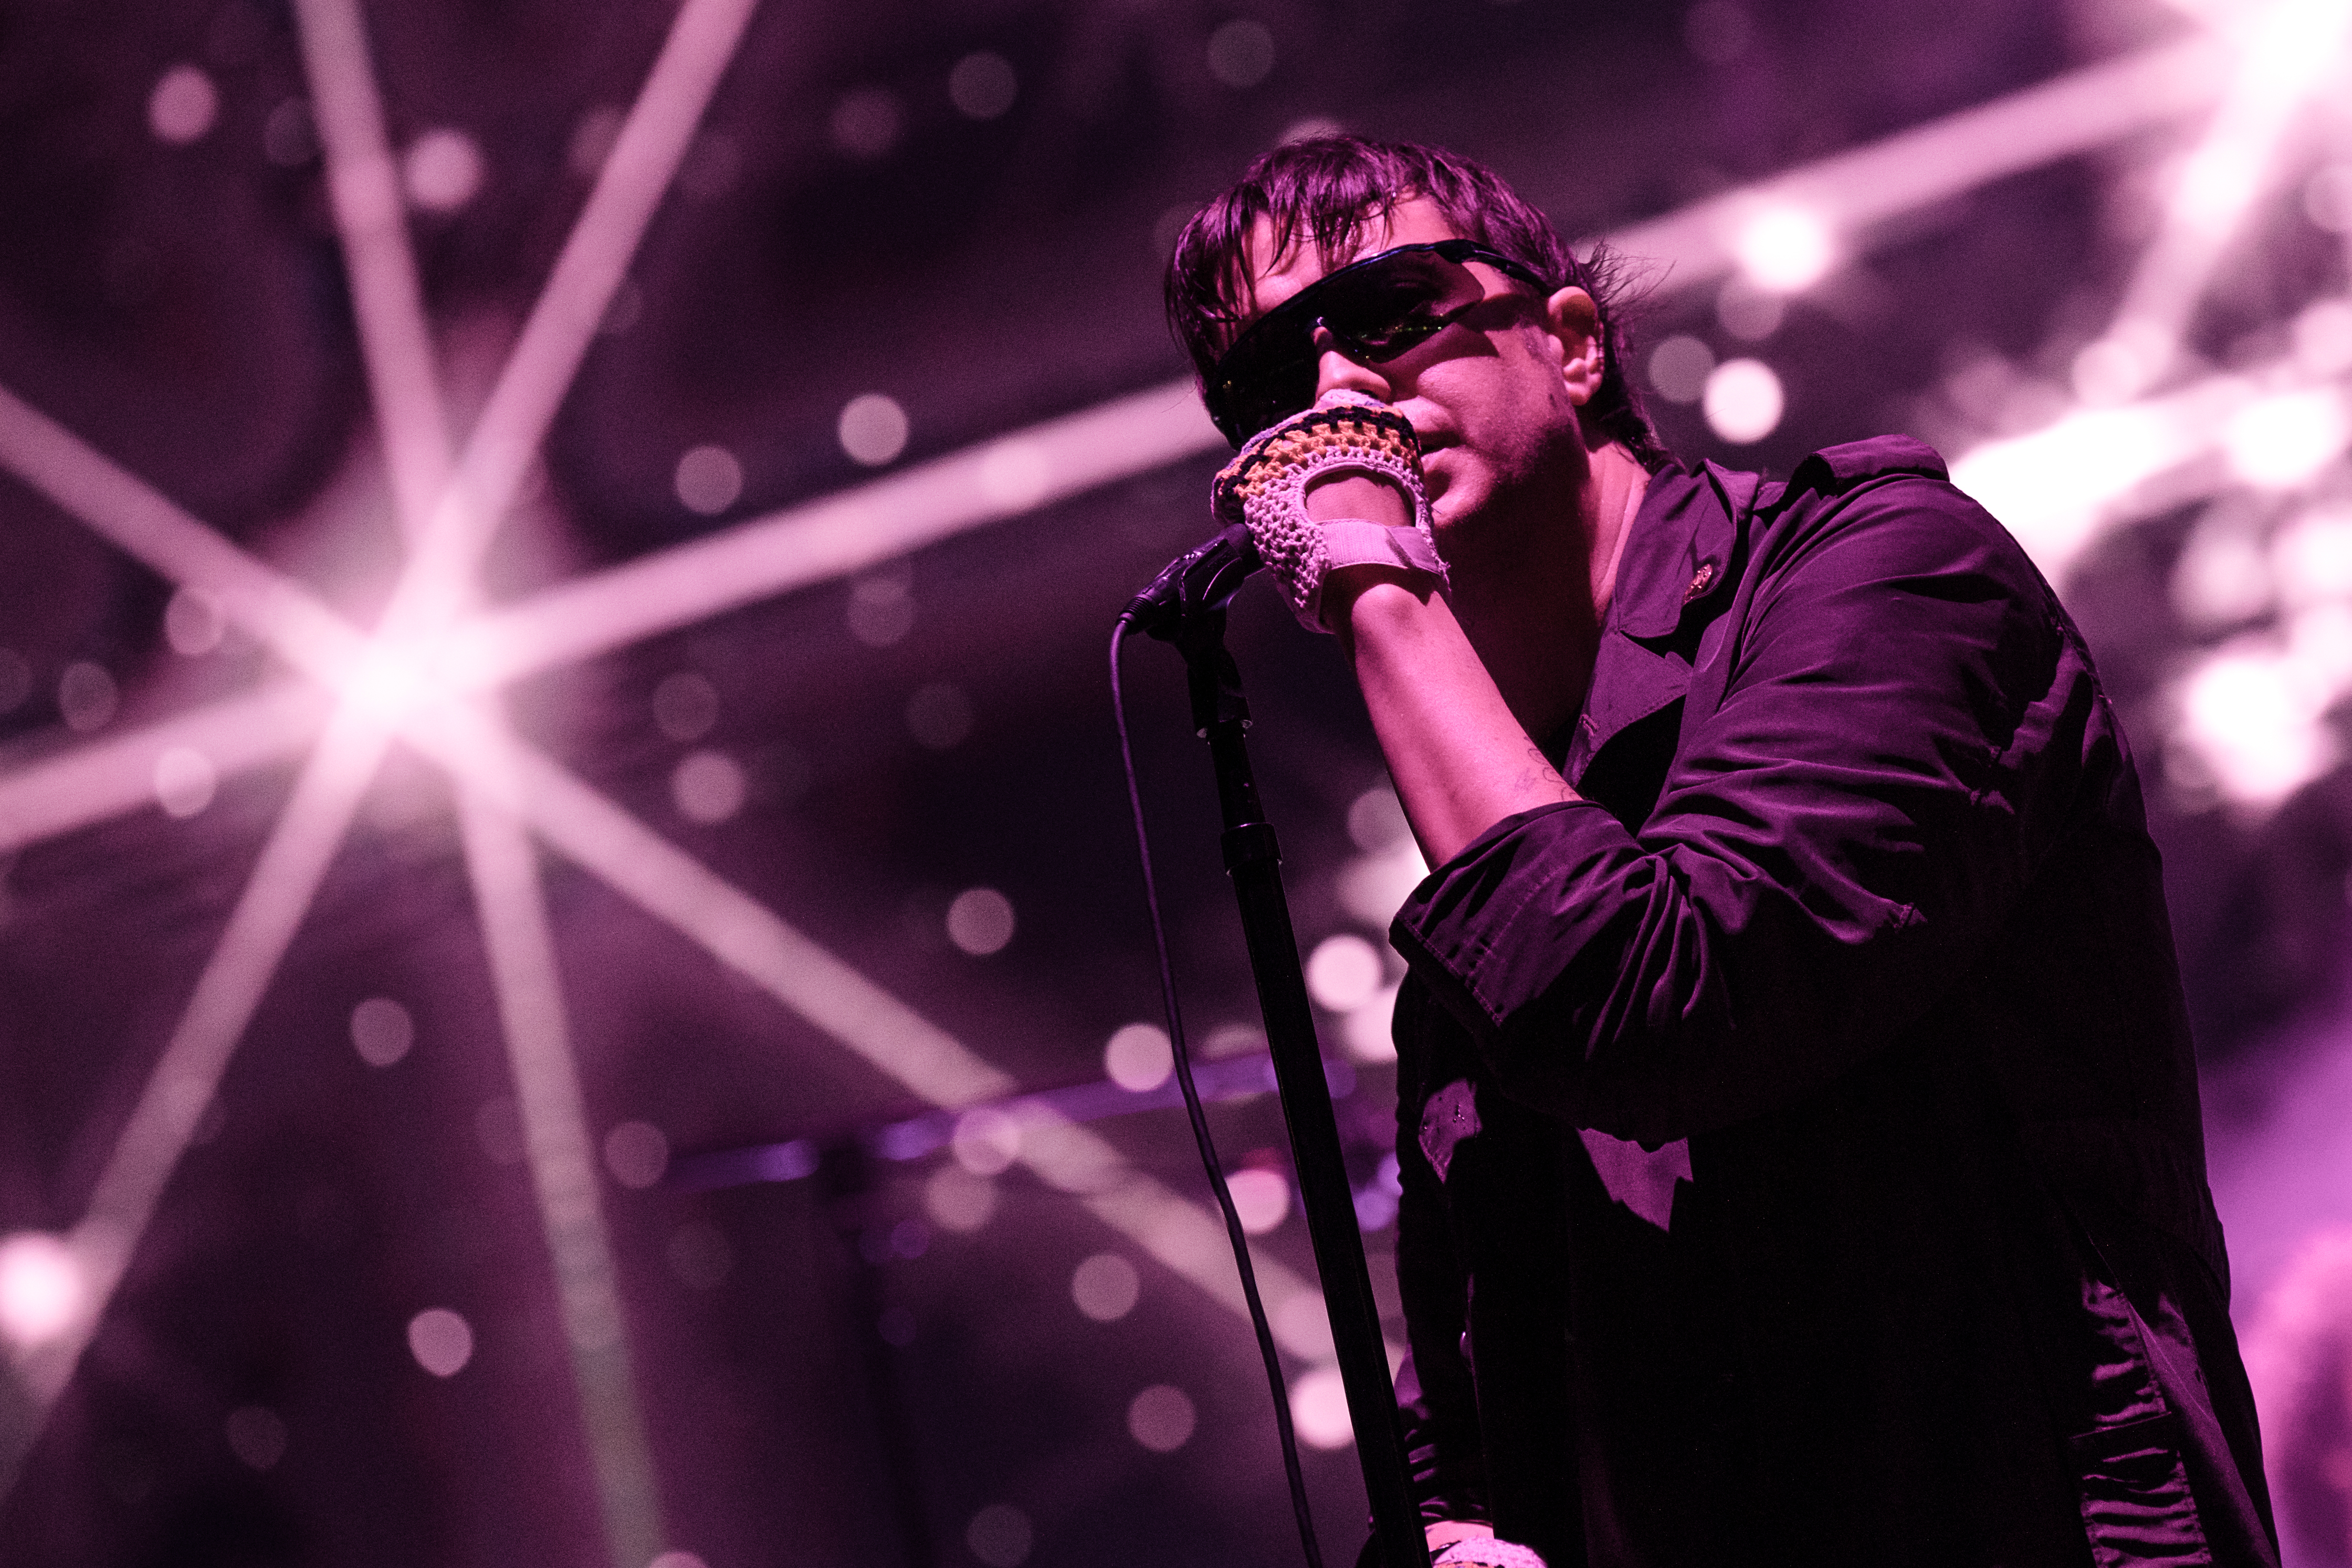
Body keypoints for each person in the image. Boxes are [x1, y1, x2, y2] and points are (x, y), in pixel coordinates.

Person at [1164, 136, 2280, 1568]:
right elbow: (1475, 1401)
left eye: (1389, 312)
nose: (1333, 397)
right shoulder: (1487, 867)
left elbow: (1662, 1005)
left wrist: (1374, 582)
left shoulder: (1887, 574)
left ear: (1567, 344)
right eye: (1266, 383)